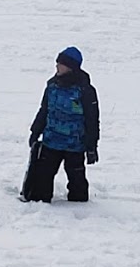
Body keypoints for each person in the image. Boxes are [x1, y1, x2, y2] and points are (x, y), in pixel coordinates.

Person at [26, 47, 100, 203]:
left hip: (75, 145)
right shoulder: (52, 86)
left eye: (61, 64)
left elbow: (92, 120)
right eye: (57, 63)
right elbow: (44, 110)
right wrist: (35, 132)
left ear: (71, 67)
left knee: (77, 184)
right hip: (51, 142)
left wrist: (91, 146)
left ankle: (80, 213)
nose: (57, 67)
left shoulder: (85, 90)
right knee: (41, 184)